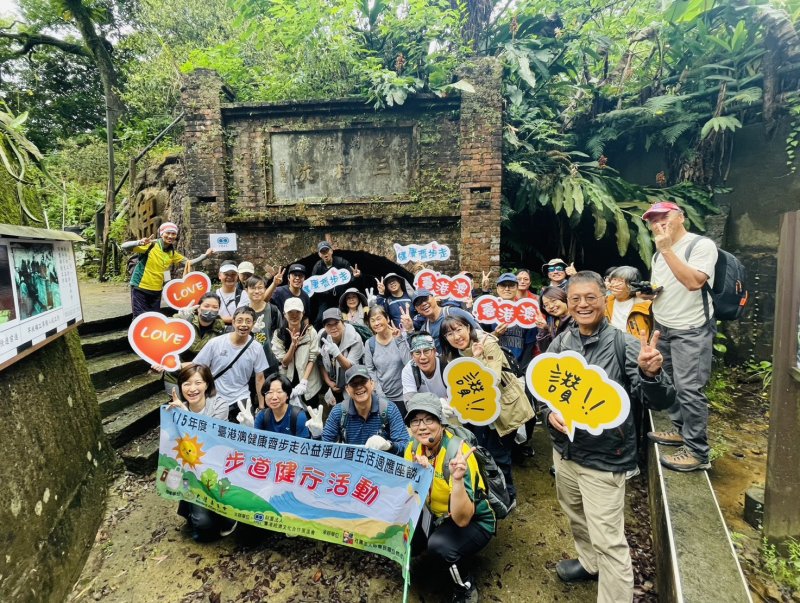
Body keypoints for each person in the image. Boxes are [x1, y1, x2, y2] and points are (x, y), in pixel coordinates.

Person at [539, 270, 675, 602]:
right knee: (575, 514)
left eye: (590, 297)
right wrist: (548, 414)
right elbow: (544, 391)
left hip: (604, 459)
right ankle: (589, 563)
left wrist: (651, 374)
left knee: (608, 540)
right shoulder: (562, 343)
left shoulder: (623, 344)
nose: (583, 305)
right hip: (566, 452)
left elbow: (660, 400)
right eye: (575, 299)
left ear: (605, 298)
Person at [641, 201, 717, 472]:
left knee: (689, 389)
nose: (658, 222)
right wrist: (649, 292)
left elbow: (694, 282)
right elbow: (664, 287)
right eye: (653, 219)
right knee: (670, 383)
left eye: (664, 216)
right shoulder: (657, 255)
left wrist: (666, 249)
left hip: (691, 329)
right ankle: (680, 431)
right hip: (663, 327)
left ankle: (698, 452)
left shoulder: (701, 245)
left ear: (681, 217)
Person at [405, 393, 495, 603]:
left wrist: (457, 479)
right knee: (404, 531)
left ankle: (465, 587)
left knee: (440, 547)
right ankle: (428, 553)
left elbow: (462, 519)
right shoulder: (414, 447)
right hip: (437, 515)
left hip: (474, 520)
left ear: (441, 422)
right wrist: (420, 475)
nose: (422, 427)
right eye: (416, 421)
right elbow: (409, 494)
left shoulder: (458, 454)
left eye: (429, 419)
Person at [439, 315, 534, 507]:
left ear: (468, 328)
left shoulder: (487, 343)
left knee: (499, 456)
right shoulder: (452, 356)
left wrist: (477, 358)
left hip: (503, 408)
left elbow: (493, 380)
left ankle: (508, 498)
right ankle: (491, 494)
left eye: (459, 329)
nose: (456, 336)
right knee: (482, 453)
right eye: (449, 334)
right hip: (476, 412)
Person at [168, 364, 237, 541]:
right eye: (187, 384)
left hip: (218, 470)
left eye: (198, 383)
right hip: (193, 473)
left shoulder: (219, 405)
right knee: (203, 527)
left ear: (207, 384)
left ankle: (224, 516)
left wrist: (185, 415)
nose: (192, 389)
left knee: (227, 519)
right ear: (180, 387)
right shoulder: (177, 409)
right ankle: (190, 508)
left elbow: (210, 439)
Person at [192, 306, 268, 422]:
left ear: (253, 324)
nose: (243, 325)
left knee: (243, 429)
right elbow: (197, 367)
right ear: (233, 322)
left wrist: (261, 406)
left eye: (248, 321)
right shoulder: (215, 343)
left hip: (241, 397)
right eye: (239, 321)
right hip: (214, 396)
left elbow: (260, 378)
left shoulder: (256, 348)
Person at [124, 222, 214, 317]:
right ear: (161, 234)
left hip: (156, 290)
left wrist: (206, 255)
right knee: (139, 318)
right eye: (167, 233)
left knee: (154, 318)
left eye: (173, 234)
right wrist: (139, 242)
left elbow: (189, 262)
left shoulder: (172, 253)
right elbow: (124, 246)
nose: (170, 236)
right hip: (140, 287)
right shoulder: (150, 245)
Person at [321, 365, 410, 454]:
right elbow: (323, 448)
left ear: (372, 383)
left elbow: (406, 446)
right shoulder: (338, 412)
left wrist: (389, 446)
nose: (359, 387)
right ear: (347, 389)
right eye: (354, 384)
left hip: (380, 461)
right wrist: (316, 435)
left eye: (363, 381)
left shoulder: (389, 409)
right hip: (351, 461)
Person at [159, 292, 227, 392]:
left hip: (200, 377)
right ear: (198, 308)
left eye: (215, 307)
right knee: (178, 401)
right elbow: (161, 328)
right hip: (175, 376)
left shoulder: (221, 330)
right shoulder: (186, 321)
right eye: (206, 306)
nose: (210, 310)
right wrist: (179, 318)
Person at [235, 373, 324, 439]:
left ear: (288, 395)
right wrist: (249, 430)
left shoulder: (298, 416)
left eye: (279, 392)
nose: (274, 397)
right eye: (269, 392)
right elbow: (253, 445)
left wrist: (316, 436)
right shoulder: (262, 416)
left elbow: (306, 449)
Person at [271, 298, 323, 406]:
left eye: (297, 312)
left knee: (312, 411)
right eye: (290, 312)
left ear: (303, 313)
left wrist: (304, 381)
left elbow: (312, 358)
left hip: (309, 381)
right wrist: (292, 345)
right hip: (288, 380)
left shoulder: (310, 332)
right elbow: (284, 362)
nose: (294, 315)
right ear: (284, 314)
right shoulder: (279, 334)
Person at [401, 289, 482, 354]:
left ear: (434, 298)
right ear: (417, 309)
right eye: (418, 303)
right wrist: (410, 330)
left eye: (425, 299)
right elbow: (418, 350)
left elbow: (480, 333)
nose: (423, 303)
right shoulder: (425, 329)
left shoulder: (455, 312)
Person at [364, 305, 411, 416]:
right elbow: (370, 370)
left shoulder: (400, 336)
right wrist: (380, 394)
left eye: (379, 318)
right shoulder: (370, 343)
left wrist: (399, 340)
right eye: (372, 320)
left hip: (404, 396)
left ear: (388, 319)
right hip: (382, 397)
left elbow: (409, 363)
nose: (376, 323)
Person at [490, 272, 537, 367]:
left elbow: (529, 346)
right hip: (493, 364)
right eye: (503, 285)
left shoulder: (525, 311)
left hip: (518, 365)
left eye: (511, 285)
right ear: (497, 288)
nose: (507, 289)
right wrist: (495, 334)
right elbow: (479, 339)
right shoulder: (489, 311)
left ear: (517, 288)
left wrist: (521, 369)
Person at [317, 308, 364, 404]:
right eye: (329, 325)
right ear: (324, 327)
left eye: (336, 323)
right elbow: (320, 361)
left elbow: (351, 368)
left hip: (354, 384)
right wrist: (329, 382)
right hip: (334, 384)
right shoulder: (322, 337)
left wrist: (337, 354)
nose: (333, 327)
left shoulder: (355, 338)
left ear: (343, 322)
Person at [311, 241, 361, 326]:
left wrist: (356, 276)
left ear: (331, 251)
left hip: (341, 296)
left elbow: (351, 278)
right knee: (319, 319)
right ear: (319, 255)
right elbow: (314, 285)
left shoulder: (341, 262)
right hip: (325, 298)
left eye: (327, 251)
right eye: (322, 252)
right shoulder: (318, 267)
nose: (325, 254)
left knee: (343, 318)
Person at [238, 274, 283, 368]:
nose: (257, 291)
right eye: (253, 288)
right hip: (247, 364)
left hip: (270, 363)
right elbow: (237, 338)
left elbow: (281, 335)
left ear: (265, 289)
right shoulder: (241, 313)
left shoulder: (273, 311)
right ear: (246, 290)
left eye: (260, 287)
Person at [605, 266, 653, 339]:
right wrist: (602, 288)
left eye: (620, 281)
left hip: (634, 343)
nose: (615, 284)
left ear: (631, 285)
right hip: (610, 341)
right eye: (614, 279)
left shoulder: (644, 304)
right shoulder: (606, 301)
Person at [401, 332, 447, 402]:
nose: (422, 357)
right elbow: (410, 402)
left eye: (426, 351)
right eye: (417, 352)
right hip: (425, 409)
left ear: (434, 351)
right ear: (412, 355)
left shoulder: (446, 365)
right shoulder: (409, 370)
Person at [535, 286, 572, 353]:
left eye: (553, 301)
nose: (551, 306)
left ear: (563, 298)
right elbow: (545, 350)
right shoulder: (553, 322)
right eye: (546, 305)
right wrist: (544, 329)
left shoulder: (578, 319)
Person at [215, 263, 249, 327]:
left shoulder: (243, 294)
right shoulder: (213, 295)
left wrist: (215, 318)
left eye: (233, 274)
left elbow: (240, 317)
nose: (230, 277)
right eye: (226, 274)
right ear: (219, 276)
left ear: (237, 276)